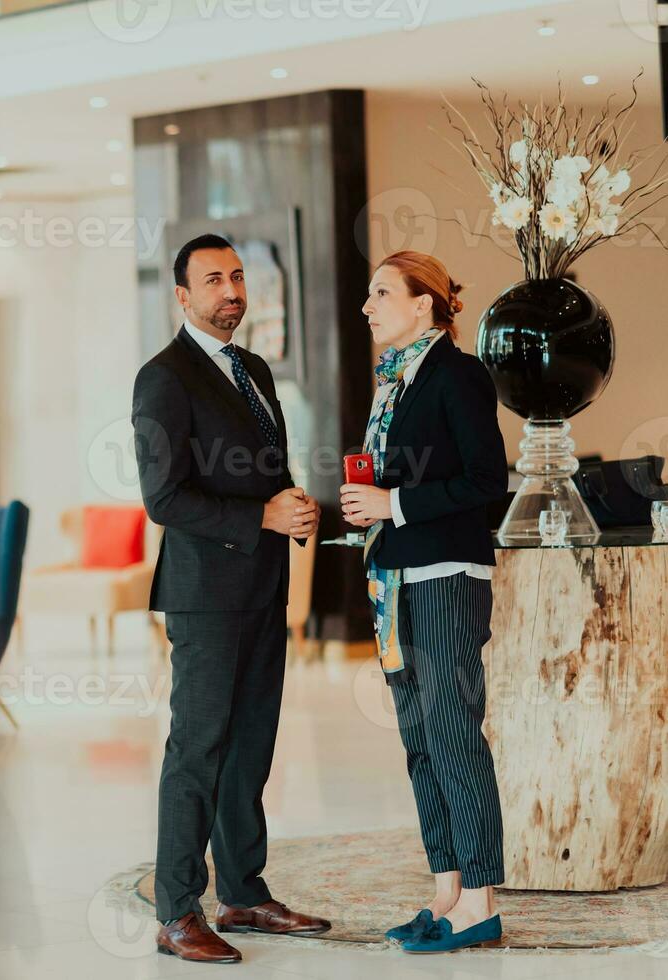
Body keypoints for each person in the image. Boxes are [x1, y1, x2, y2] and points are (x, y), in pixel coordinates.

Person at [132, 233, 327, 965]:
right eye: (213, 280)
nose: (231, 291)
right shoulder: (164, 378)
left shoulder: (255, 370)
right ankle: (177, 910)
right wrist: (259, 518)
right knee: (199, 748)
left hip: (261, 586)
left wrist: (290, 505)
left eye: (238, 277)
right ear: (183, 296)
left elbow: (259, 476)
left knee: (251, 747)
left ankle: (243, 891)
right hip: (205, 594)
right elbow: (164, 497)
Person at [340, 250, 509, 954]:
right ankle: (446, 890)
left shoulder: (458, 375)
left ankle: (481, 900)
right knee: (418, 741)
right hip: (396, 580)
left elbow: (487, 481)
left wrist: (393, 502)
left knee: (452, 735)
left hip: (445, 577)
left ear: (424, 305)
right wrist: (373, 507)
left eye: (382, 293)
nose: (368, 306)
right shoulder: (394, 382)